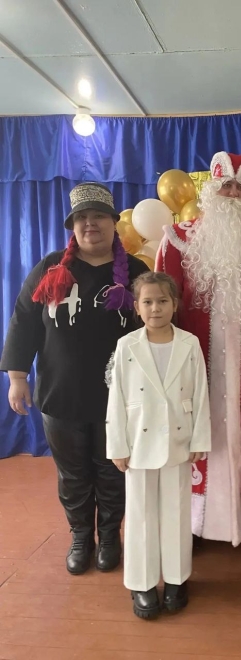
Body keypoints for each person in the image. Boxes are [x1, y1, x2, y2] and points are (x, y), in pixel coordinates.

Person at [0, 182, 149, 575]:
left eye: (98, 216)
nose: (90, 224)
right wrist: (17, 377)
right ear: (72, 226)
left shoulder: (137, 272)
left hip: (119, 398)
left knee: (112, 472)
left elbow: (156, 329)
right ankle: (81, 536)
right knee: (73, 475)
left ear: (114, 223)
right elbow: (24, 320)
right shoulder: (52, 268)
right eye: (82, 218)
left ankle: (110, 536)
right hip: (61, 394)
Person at [155, 151, 241, 553]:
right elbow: (162, 303)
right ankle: (193, 522)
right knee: (194, 435)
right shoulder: (177, 240)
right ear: (212, 190)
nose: (233, 194)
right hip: (194, 363)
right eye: (226, 186)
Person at [106, 272, 211, 619]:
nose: (155, 308)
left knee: (177, 513)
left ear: (174, 304)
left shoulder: (189, 343)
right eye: (148, 302)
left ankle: (178, 579)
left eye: (162, 301)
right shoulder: (127, 345)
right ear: (137, 307)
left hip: (178, 440)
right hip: (138, 442)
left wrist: (199, 438)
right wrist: (117, 445)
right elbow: (117, 399)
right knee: (140, 514)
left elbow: (200, 393)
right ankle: (142, 582)